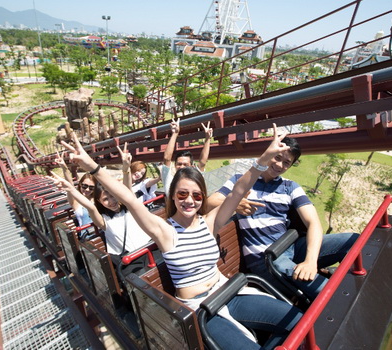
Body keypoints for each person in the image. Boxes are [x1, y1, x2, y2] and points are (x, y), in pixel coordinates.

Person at [62, 126, 302, 349]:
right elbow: (129, 199)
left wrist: (263, 159)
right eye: (183, 194)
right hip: (202, 309)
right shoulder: (164, 231)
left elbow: (239, 189)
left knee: (297, 322)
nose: (190, 200)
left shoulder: (210, 222)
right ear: (174, 197)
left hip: (229, 291)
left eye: (197, 196)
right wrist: (93, 167)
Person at [208, 135, 358, 299]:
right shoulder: (241, 180)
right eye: (277, 157)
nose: (279, 165)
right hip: (266, 258)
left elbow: (313, 221)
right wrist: (234, 203)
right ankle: (340, 300)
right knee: (321, 288)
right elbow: (210, 202)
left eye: (286, 162)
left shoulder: (290, 187)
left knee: (353, 241)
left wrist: (310, 261)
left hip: (289, 246)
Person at [49, 171, 152, 256]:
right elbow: (90, 207)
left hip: (149, 248)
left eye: (112, 196)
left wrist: (126, 169)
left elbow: (127, 189)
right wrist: (70, 188)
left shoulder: (130, 208)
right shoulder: (103, 221)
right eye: (106, 199)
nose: (111, 201)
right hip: (130, 258)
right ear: (99, 201)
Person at [160, 119, 212, 196]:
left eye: (185, 164)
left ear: (192, 166)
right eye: (179, 164)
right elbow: (167, 158)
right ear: (175, 165)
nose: (181, 167)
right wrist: (175, 134)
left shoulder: (195, 177)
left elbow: (202, 162)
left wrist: (208, 139)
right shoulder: (169, 179)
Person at [55, 153, 94, 230]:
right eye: (84, 186)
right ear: (80, 185)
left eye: (91, 187)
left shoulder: (99, 198)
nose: (87, 189)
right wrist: (64, 167)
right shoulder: (76, 202)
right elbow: (70, 185)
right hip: (88, 236)